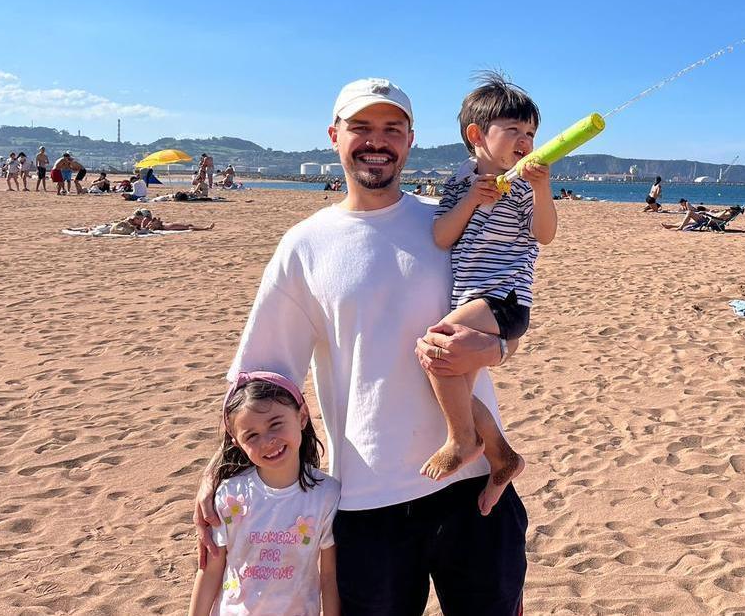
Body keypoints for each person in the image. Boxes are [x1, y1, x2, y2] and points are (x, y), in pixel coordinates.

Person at [196, 78, 527, 614]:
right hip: (368, 501)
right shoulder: (305, 245)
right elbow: (263, 372)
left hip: (476, 490)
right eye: (362, 128)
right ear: (334, 136)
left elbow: (506, 303)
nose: (378, 141)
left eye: (391, 129)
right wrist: (221, 468)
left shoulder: (448, 223)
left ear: (410, 139)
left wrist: (496, 351)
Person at [425, 72, 552, 511]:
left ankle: (461, 441)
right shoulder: (461, 184)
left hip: (505, 302)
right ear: (476, 135)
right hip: (471, 301)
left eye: (531, 132)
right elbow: (442, 236)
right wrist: (470, 201)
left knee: (436, 345)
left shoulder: (521, 185)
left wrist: (540, 187)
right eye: (513, 130)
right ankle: (502, 457)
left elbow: (545, 234)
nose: (525, 140)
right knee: (447, 376)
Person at [189, 373, 341, 616]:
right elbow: (211, 569)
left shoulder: (326, 495)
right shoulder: (230, 494)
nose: (268, 441)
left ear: (302, 416)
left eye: (275, 424)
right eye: (251, 435)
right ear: (237, 443)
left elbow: (329, 576)